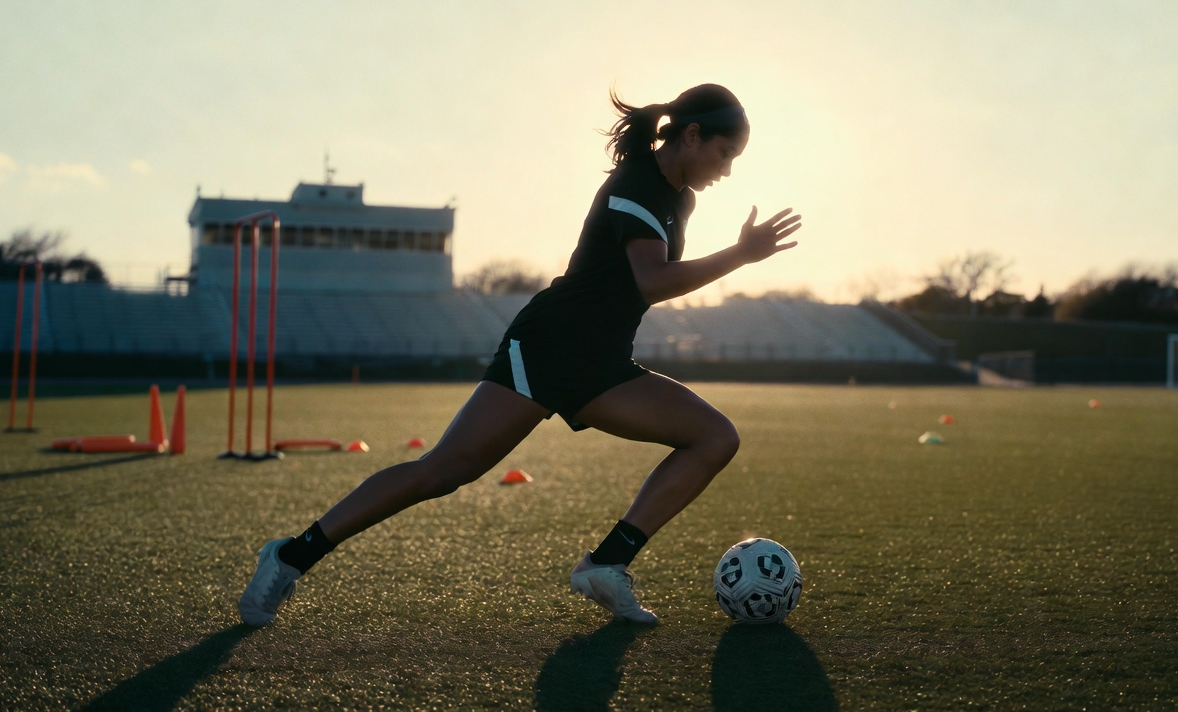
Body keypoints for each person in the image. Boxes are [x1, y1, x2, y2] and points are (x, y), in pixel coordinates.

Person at [238, 83, 802, 626]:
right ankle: (290, 555)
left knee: (714, 437)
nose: (726, 170)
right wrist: (740, 254)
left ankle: (606, 564)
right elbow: (651, 281)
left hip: (601, 363)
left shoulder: (678, 197)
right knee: (442, 471)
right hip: (548, 347)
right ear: (692, 135)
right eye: (725, 154)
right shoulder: (638, 183)